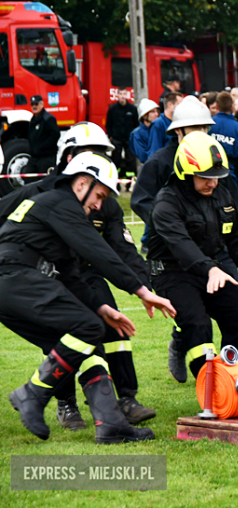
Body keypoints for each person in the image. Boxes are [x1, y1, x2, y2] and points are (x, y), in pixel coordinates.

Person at [0, 152, 175, 443]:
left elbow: (71, 275)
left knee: (90, 337)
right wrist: (142, 291)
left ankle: (111, 424)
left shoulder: (55, 211)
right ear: (82, 183)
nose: (99, 206)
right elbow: (99, 251)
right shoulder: (61, 202)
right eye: (100, 195)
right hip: (15, 276)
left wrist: (102, 306)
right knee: (88, 328)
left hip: (13, 283)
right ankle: (32, 394)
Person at [148, 132, 238, 379]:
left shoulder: (221, 194)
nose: (213, 183)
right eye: (206, 178)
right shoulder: (166, 203)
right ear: (186, 173)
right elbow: (181, 245)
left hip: (213, 268)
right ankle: (210, 386)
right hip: (172, 272)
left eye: (217, 177)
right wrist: (209, 269)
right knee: (198, 324)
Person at [209, 91, 238, 186]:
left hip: (210, 171)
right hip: (231, 172)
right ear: (232, 107)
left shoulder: (208, 125)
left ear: (217, 107)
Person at [105, 87, 139, 179]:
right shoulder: (112, 109)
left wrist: (134, 137)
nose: (122, 96)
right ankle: (115, 179)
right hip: (117, 139)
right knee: (116, 159)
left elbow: (136, 124)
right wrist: (111, 136)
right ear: (117, 95)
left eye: (124, 94)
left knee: (130, 160)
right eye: (121, 94)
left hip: (129, 139)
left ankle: (130, 180)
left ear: (127, 95)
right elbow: (108, 124)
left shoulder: (132, 108)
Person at [27, 95, 60, 180]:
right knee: (29, 179)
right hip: (35, 157)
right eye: (32, 104)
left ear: (42, 104)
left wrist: (43, 147)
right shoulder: (33, 119)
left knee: (44, 181)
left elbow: (55, 135)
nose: (34, 106)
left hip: (46, 157)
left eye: (36, 104)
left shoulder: (48, 118)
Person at [147, 91, 183, 158]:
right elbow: (155, 152)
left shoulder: (179, 122)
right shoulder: (158, 124)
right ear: (170, 105)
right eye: (179, 104)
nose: (182, 107)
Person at [129, 99, 160, 165]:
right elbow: (143, 157)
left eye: (157, 111)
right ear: (144, 115)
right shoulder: (137, 134)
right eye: (153, 112)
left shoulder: (158, 129)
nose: (156, 114)